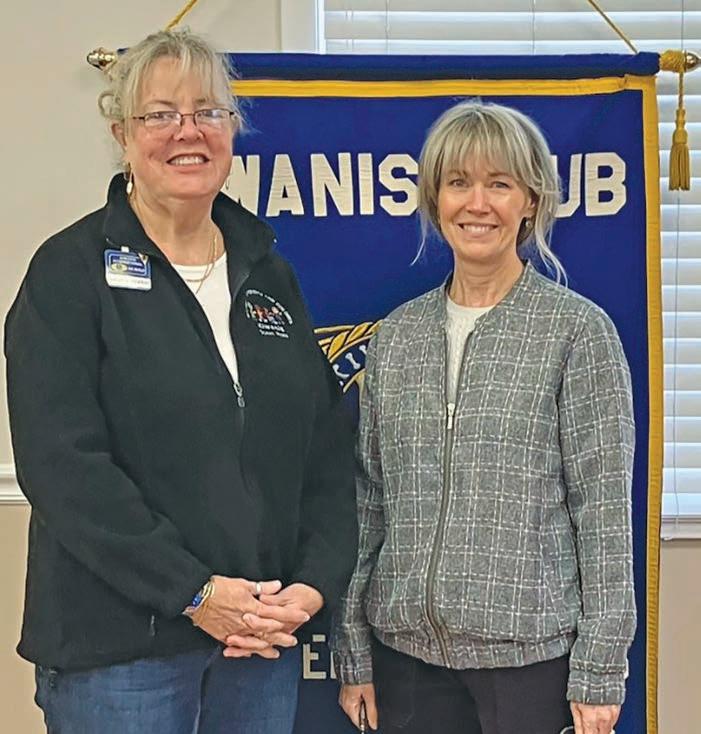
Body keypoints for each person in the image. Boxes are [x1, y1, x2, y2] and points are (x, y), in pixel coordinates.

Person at [5, 29, 357, 734]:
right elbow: (63, 466)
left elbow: (322, 452)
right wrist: (193, 593)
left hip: (257, 643)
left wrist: (311, 586)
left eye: (207, 112)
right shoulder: (69, 272)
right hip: (120, 656)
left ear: (232, 131)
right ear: (122, 136)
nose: (186, 132)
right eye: (159, 114)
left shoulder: (269, 273)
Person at [331, 101, 636, 734]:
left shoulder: (577, 332)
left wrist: (600, 670)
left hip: (532, 667)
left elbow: (603, 513)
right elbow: (369, 503)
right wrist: (353, 649)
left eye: (499, 184)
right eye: (458, 182)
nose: (477, 203)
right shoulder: (398, 336)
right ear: (434, 200)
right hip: (407, 663)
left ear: (531, 201)